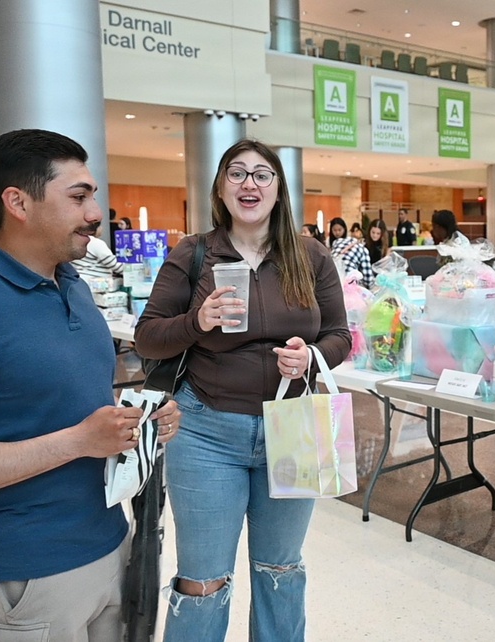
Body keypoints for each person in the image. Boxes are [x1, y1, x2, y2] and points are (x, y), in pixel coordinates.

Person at [0, 129, 181, 641]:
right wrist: (77, 441)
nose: (95, 213)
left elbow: (62, 404)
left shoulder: (73, 287)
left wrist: (135, 421)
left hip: (111, 543)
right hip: (26, 573)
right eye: (79, 196)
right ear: (18, 202)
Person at [134, 139, 350, 642]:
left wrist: (311, 357)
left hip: (296, 427)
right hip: (207, 431)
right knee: (202, 579)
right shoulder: (194, 253)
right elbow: (148, 334)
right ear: (220, 188)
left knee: (281, 570)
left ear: (278, 190)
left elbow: (340, 335)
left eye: (261, 175)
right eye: (236, 173)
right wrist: (197, 319)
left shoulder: (310, 255)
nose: (249, 183)